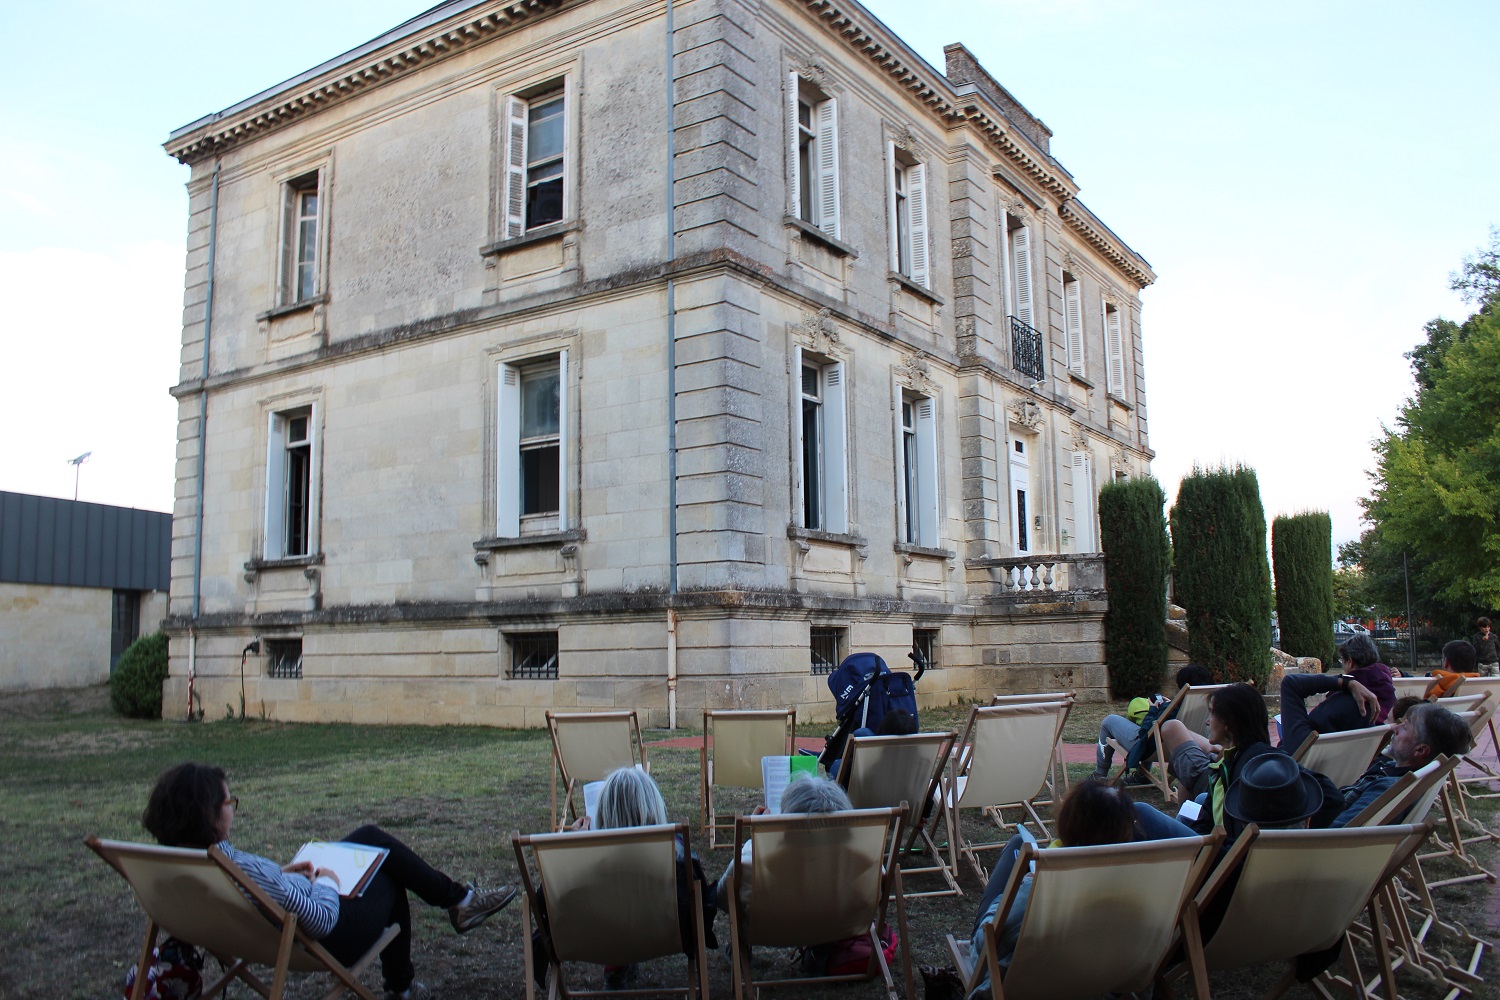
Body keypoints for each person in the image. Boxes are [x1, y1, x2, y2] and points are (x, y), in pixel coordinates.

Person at [142, 763, 514, 1000]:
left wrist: (284, 875)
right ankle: (412, 971)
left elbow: (254, 888)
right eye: (229, 803)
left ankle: (459, 903)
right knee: (386, 870)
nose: (232, 809)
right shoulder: (237, 866)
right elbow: (319, 920)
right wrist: (326, 882)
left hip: (262, 926)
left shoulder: (175, 864)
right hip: (316, 938)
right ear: (208, 815)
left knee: (369, 837)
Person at [965, 780, 1137, 990]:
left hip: (1020, 979)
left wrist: (1018, 887)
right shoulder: (1138, 885)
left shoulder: (1039, 888)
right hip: (1099, 979)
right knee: (1019, 843)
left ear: (1068, 823)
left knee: (1017, 843)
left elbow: (986, 941)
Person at [557, 767, 717, 990]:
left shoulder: (583, 867)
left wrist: (574, 847)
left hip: (604, 933)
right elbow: (701, 905)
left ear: (603, 813)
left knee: (612, 900)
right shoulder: (678, 858)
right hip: (662, 933)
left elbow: (553, 898)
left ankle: (616, 964)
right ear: (654, 809)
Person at [1136, 683, 1342, 843]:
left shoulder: (1259, 768)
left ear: (1228, 723)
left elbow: (1332, 799)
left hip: (1225, 865)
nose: (1208, 721)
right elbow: (1332, 797)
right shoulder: (1241, 761)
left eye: (1212, 713)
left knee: (1140, 811)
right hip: (1221, 852)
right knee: (1197, 802)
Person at [1317, 701, 1472, 828]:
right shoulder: (1406, 779)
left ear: (1421, 750)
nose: (1396, 728)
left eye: (1405, 727)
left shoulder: (1388, 789)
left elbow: (1337, 833)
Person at [715, 774, 852, 912]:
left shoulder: (751, 865)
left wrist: (757, 840)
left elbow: (723, 900)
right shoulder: (860, 865)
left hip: (772, 933)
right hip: (838, 932)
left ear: (787, 827)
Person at [1278, 634, 1394, 756]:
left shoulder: (1350, 702)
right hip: (1343, 758)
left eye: (1342, 661)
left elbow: (1290, 683)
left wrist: (1344, 682)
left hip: (1306, 754)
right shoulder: (1385, 691)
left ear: (1350, 661)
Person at [1093, 664, 1213, 780]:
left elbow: (1146, 731)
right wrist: (1169, 705)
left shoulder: (1174, 706)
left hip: (1153, 749)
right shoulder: (1208, 703)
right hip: (1191, 747)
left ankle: (1099, 775)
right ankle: (1141, 776)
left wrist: (1153, 709)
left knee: (1109, 720)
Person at [826, 708, 917, 781]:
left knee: (837, 764)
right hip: (904, 801)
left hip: (863, 801)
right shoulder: (920, 766)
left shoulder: (862, 768)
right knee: (862, 733)